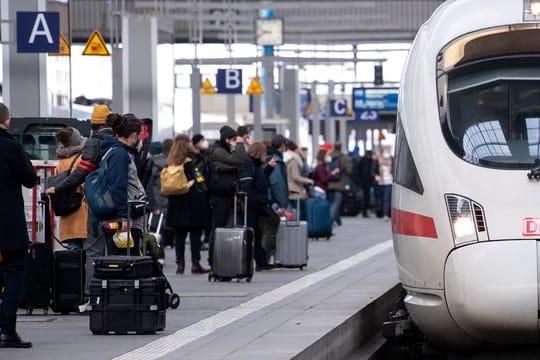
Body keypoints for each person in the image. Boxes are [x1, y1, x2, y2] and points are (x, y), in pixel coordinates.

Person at [45, 104, 114, 297]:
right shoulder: (88, 155)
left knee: (72, 259)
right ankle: (90, 293)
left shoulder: (61, 163)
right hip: (84, 212)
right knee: (93, 255)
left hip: (68, 215)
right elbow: (84, 179)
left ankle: (72, 293)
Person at [86, 113, 146, 289]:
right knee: (117, 258)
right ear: (134, 134)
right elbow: (117, 187)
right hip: (117, 214)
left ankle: (94, 296)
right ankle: (99, 295)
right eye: (140, 135)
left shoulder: (111, 150)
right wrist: (124, 216)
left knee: (98, 254)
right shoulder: (120, 154)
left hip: (103, 211)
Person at [0, 102, 37, 348]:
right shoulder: (11, 147)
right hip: (7, 226)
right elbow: (30, 179)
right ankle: (7, 330)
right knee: (14, 273)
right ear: (8, 121)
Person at [166, 135, 211, 274]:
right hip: (193, 201)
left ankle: (180, 265)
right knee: (195, 234)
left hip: (176, 201)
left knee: (179, 235)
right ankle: (195, 264)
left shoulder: (171, 163)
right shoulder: (190, 162)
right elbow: (199, 181)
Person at [208, 125, 246, 265]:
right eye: (233, 139)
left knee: (222, 227)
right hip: (220, 196)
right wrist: (240, 144)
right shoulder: (219, 151)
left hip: (225, 194)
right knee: (218, 228)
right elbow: (240, 160)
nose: (235, 141)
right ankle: (214, 259)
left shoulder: (223, 150)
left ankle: (219, 258)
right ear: (227, 139)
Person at [239, 142, 276, 271]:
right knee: (252, 234)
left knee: (257, 234)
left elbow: (259, 180)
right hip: (251, 206)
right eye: (264, 153)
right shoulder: (248, 165)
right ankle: (257, 262)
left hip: (256, 204)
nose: (265, 156)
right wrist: (255, 201)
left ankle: (261, 261)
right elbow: (247, 186)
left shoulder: (256, 165)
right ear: (259, 153)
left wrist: (269, 168)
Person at [54, 127, 88, 250]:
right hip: (83, 217)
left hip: (67, 216)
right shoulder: (83, 160)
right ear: (78, 142)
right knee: (88, 259)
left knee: (73, 262)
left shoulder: (60, 163)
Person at [263, 134, 289, 262]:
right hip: (272, 201)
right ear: (283, 145)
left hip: (266, 199)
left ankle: (264, 258)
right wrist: (281, 204)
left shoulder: (267, 158)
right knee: (271, 228)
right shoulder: (276, 161)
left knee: (267, 228)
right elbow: (277, 184)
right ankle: (264, 260)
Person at [145, 139, 175, 248]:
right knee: (168, 221)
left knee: (157, 224)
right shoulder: (172, 162)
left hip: (157, 195)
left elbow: (149, 183)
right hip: (170, 195)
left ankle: (158, 245)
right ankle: (170, 242)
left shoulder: (152, 162)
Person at [191, 134, 212, 251]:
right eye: (202, 140)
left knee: (207, 217)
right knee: (201, 218)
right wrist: (203, 185)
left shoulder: (205, 155)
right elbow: (197, 173)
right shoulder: (196, 157)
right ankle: (201, 241)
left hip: (205, 190)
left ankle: (206, 239)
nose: (204, 142)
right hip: (200, 190)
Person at [283, 140, 313, 216]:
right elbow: (295, 176)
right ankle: (296, 227)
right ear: (295, 149)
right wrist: (308, 180)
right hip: (294, 189)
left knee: (289, 210)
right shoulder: (294, 161)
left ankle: (289, 226)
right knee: (298, 211)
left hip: (286, 188)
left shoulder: (284, 159)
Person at [327, 142, 352, 226]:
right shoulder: (344, 158)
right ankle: (329, 222)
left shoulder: (328, 156)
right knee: (336, 204)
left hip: (329, 183)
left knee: (332, 203)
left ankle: (338, 221)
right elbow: (349, 170)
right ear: (341, 148)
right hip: (339, 184)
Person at [375, 148, 393, 220]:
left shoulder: (392, 161)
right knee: (381, 198)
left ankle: (385, 214)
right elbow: (373, 170)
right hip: (380, 182)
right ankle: (381, 213)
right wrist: (375, 176)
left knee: (386, 198)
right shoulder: (378, 161)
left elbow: (394, 170)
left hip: (389, 181)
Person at [357, 150, 377, 218]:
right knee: (366, 197)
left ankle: (365, 211)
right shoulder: (369, 161)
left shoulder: (363, 160)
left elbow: (358, 170)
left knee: (366, 197)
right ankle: (365, 212)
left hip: (366, 182)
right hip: (366, 182)